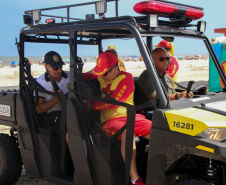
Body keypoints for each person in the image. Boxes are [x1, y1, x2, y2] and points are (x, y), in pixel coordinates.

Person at [85, 51, 152, 185]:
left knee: (159, 131)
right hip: (110, 121)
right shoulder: (102, 75)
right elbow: (88, 75)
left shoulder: (127, 78)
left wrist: (90, 104)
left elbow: (114, 102)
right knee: (127, 133)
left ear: (115, 70)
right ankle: (135, 179)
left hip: (131, 117)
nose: (100, 76)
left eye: (103, 73)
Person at [34, 51, 70, 127]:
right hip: (53, 114)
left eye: (60, 67)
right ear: (46, 66)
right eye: (55, 68)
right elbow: (38, 109)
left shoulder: (70, 76)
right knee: (72, 123)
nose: (59, 70)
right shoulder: (40, 83)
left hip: (71, 110)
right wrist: (55, 99)